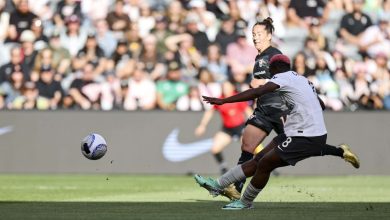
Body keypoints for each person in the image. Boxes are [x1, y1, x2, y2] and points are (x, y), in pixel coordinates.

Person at [195, 54, 360, 210]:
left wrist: (224, 100)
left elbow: (257, 92)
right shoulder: (302, 79)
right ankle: (218, 185)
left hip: (304, 135)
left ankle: (245, 202)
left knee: (265, 163)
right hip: (300, 132)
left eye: (270, 71)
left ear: (274, 69)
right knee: (258, 159)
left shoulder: (281, 77)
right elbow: (321, 104)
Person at [219, 17, 291, 199]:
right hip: (262, 110)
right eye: (253, 34)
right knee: (247, 145)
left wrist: (262, 82)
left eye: (259, 34)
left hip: (278, 108)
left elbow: (286, 80)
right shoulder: (259, 56)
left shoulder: (275, 54)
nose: (255, 37)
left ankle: (338, 151)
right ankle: (236, 188)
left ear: (269, 35)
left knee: (299, 144)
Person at [195, 81, 252, 174]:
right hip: (227, 129)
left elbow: (248, 111)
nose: (225, 88)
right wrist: (202, 125)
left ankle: (265, 166)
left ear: (232, 87)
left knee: (249, 148)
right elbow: (210, 112)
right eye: (223, 86)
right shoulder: (220, 99)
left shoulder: (237, 97)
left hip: (240, 128)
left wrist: (252, 124)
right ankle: (223, 167)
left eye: (227, 86)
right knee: (215, 148)